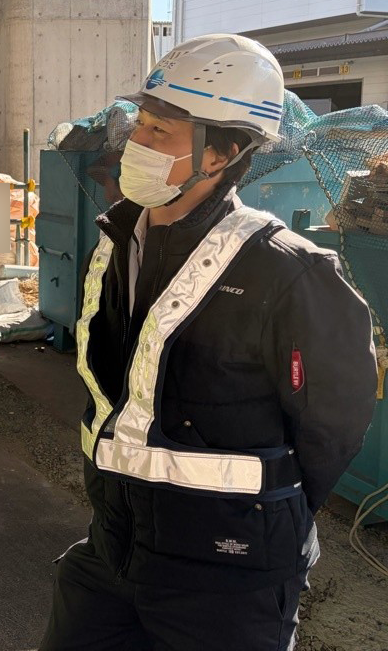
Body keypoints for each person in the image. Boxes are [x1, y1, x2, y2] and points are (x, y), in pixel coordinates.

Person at [41, 34, 378, 651]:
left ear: (222, 153)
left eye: (160, 131)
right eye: (140, 124)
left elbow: (333, 426)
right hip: (113, 550)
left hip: (229, 580)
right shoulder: (117, 245)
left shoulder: (288, 272)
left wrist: (266, 515)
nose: (136, 143)